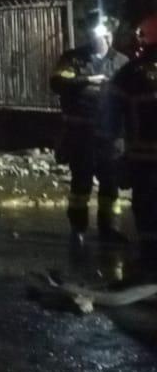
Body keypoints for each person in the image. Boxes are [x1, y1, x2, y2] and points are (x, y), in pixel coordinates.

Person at [50, 12, 129, 245]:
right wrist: (88, 80)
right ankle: (78, 228)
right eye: (96, 33)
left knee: (110, 183)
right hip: (80, 133)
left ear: (111, 34)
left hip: (111, 135)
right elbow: (57, 82)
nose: (101, 38)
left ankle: (109, 228)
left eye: (105, 33)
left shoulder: (122, 62)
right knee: (80, 183)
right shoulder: (73, 59)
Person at [111, 14, 157, 266]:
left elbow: (110, 116)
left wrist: (114, 151)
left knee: (146, 208)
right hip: (142, 158)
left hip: (143, 159)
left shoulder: (129, 74)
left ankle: (150, 260)